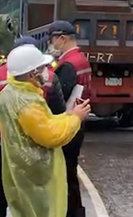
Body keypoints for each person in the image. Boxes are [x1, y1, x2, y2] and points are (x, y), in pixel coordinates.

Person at [0, 44, 89, 217]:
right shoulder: (27, 102)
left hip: (20, 169)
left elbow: (42, 122)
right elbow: (51, 135)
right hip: (35, 173)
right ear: (33, 74)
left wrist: (67, 116)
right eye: (42, 68)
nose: (46, 71)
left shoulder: (9, 93)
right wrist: (76, 118)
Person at [48, 21, 92, 217]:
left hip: (68, 124)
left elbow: (58, 98)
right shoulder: (81, 59)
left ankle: (70, 212)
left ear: (62, 39)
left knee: (63, 174)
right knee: (70, 173)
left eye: (52, 41)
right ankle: (76, 211)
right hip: (78, 124)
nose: (51, 45)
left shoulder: (68, 65)